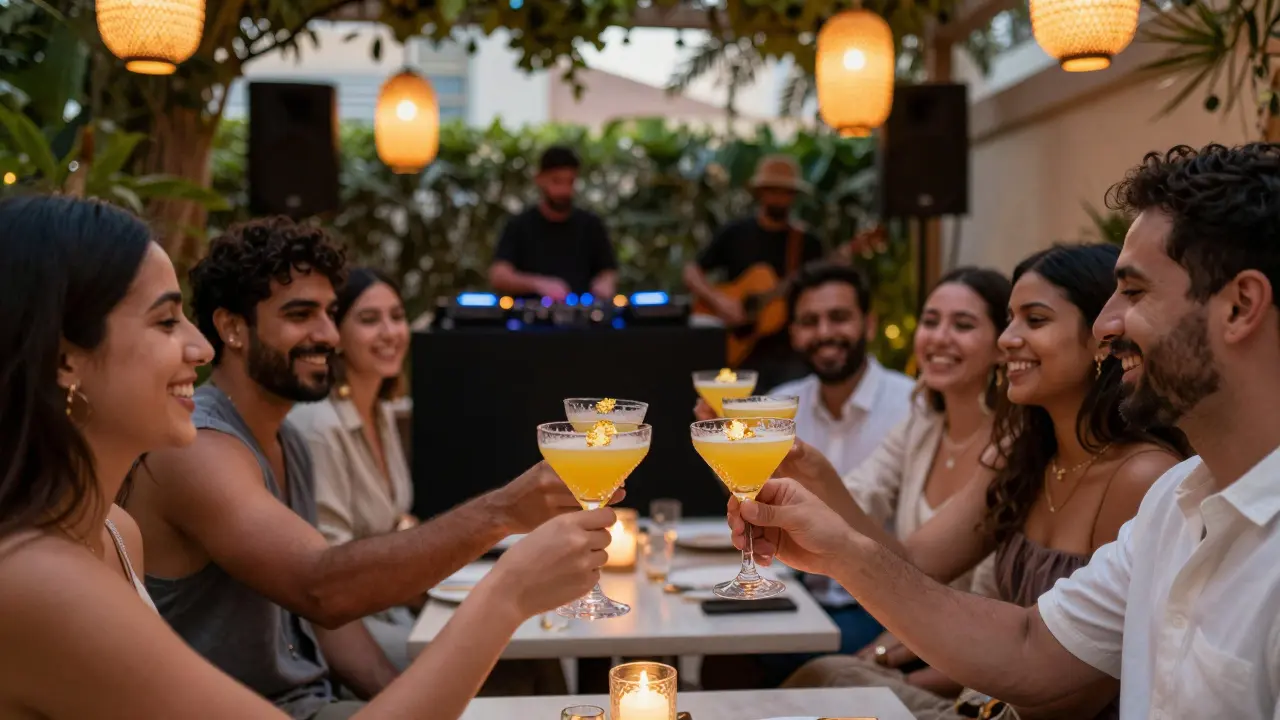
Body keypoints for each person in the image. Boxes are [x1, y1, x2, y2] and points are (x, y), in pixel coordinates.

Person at [0, 195, 615, 720]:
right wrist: (507, 581)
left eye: (331, 312)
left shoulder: (117, 532)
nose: (196, 347)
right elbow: (322, 588)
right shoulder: (38, 577)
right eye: (165, 322)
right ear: (63, 360)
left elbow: (324, 620)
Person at [733, 144, 1280, 720]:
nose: (1106, 325)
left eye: (1136, 292)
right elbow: (1030, 648)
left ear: (1240, 306)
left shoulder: (1155, 482)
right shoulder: (1175, 502)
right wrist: (840, 553)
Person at [754, 243, 1192, 719]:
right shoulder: (1024, 456)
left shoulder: (1143, 476)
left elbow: (1076, 693)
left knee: (825, 685)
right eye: (1009, 319)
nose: (1007, 339)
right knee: (824, 678)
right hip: (985, 702)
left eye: (1035, 320)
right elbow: (916, 563)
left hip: (1015, 710)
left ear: (1100, 338)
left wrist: (905, 681)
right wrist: (815, 473)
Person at [773, 266, 1012, 692]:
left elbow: (917, 571)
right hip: (910, 626)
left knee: (818, 677)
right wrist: (813, 474)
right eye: (931, 321)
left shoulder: (1012, 445)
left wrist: (883, 667)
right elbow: (861, 502)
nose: (939, 338)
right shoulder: (924, 422)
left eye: (963, 325)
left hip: (975, 661)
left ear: (1002, 345)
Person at [683, 154, 826, 389]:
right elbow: (691, 271)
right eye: (774, 190)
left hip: (789, 353)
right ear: (761, 192)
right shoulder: (735, 233)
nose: (780, 198)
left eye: (786, 192)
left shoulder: (807, 243)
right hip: (739, 350)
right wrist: (719, 301)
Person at [488, 145, 617, 301]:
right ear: (540, 179)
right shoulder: (519, 225)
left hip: (582, 318)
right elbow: (499, 275)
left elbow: (607, 271)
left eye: (570, 182)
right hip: (530, 319)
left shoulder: (591, 225)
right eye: (557, 181)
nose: (563, 190)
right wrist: (538, 283)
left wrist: (604, 284)